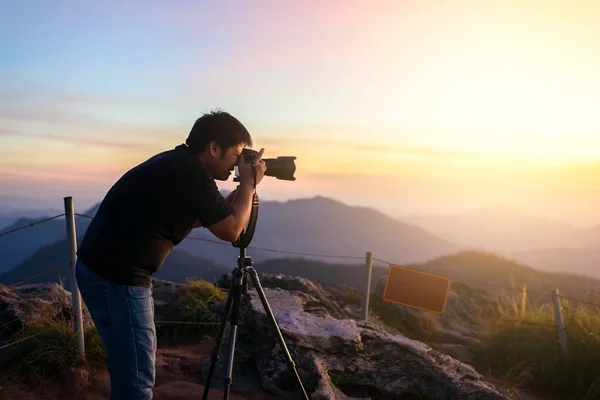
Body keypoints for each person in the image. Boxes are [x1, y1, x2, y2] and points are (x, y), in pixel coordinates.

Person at [75, 110, 267, 399]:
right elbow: (231, 231)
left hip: (101, 269)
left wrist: (243, 189)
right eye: (236, 156)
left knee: (130, 368)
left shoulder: (179, 162)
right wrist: (249, 185)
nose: (237, 165)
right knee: (137, 381)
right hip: (118, 278)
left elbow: (207, 216)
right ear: (214, 148)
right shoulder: (191, 173)